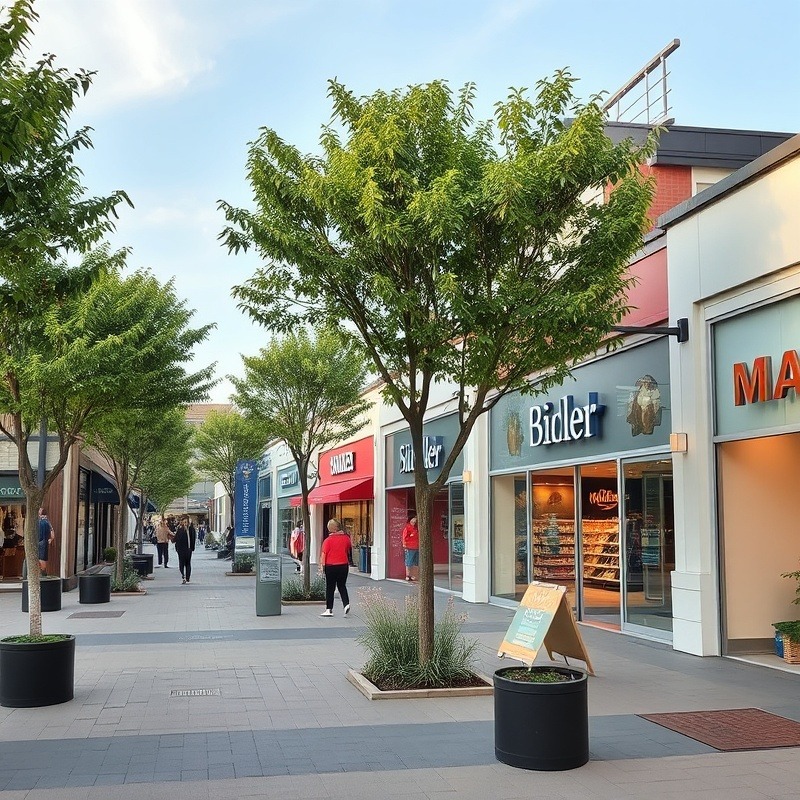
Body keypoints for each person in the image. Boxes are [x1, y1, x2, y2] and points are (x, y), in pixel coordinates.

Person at [319, 518, 352, 617]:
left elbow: (324, 554)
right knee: (342, 585)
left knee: (330, 588)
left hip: (331, 566)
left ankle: (329, 609)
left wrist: (322, 567)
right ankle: (346, 604)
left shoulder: (327, 541)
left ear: (330, 529)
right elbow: (348, 548)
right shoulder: (346, 538)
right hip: (343, 565)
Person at [173, 515, 196, 584]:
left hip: (188, 549)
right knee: (181, 563)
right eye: (184, 522)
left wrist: (192, 548)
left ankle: (187, 577)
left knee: (188, 563)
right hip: (180, 550)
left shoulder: (191, 529)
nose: (185, 523)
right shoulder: (180, 530)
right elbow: (176, 539)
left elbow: (193, 539)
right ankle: (183, 576)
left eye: (186, 522)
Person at [401, 513, 419, 582]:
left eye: (414, 522)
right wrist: (405, 545)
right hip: (410, 547)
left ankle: (413, 575)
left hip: (416, 546)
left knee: (415, 562)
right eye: (412, 521)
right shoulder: (407, 528)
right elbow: (404, 538)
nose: (414, 523)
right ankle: (408, 575)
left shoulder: (415, 528)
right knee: (409, 561)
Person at [37, 507, 54, 574]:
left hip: (41, 541)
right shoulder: (46, 521)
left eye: (39, 510)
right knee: (42, 557)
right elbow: (52, 531)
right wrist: (50, 539)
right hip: (43, 541)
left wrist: (51, 539)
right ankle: (42, 571)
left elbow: (52, 531)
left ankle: (43, 572)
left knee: (41, 558)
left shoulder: (42, 521)